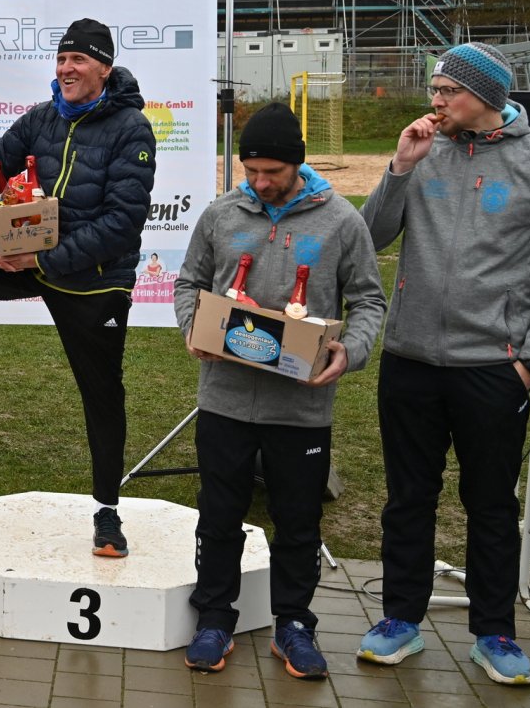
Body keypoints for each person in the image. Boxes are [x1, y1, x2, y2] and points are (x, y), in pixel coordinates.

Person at [0, 19, 155, 555]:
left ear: (104, 68)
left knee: (102, 395)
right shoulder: (43, 118)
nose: (66, 68)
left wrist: (43, 258)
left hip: (93, 283)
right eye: (62, 59)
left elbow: (122, 224)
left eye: (79, 60)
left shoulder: (132, 128)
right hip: (31, 260)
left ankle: (107, 513)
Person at [358, 42, 530, 686]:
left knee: (491, 503)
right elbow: (370, 238)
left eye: (448, 91)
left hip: (494, 367)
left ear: (487, 96)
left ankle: (495, 631)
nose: (435, 101)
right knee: (408, 498)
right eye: (434, 89)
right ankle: (399, 619)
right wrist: (399, 167)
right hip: (410, 358)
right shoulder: (424, 151)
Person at [174, 102, 385, 680]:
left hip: (301, 408)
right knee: (219, 514)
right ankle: (214, 618)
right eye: (251, 172)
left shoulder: (341, 220)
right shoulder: (222, 213)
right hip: (225, 399)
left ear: (298, 164)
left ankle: (294, 624)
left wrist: (350, 350)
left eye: (272, 172)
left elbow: (369, 299)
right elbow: (189, 282)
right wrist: (193, 325)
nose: (261, 183)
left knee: (298, 520)